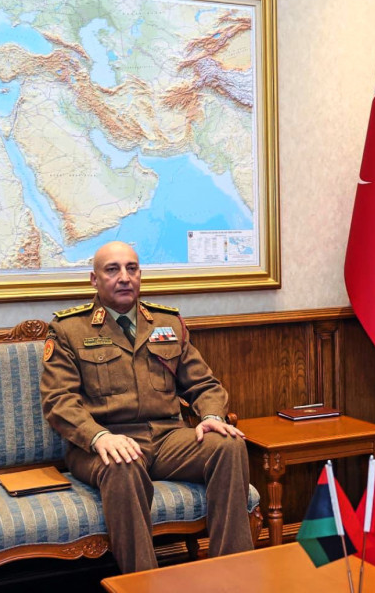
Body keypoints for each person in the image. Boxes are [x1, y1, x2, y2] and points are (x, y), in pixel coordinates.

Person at [40, 241, 253, 573]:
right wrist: (99, 437)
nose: (124, 277)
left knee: (229, 445)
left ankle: (232, 574)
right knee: (123, 464)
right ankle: (143, 582)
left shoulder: (166, 323)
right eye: (112, 270)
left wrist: (211, 415)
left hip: (167, 439)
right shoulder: (69, 329)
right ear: (94, 279)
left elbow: (204, 384)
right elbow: (58, 401)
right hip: (105, 442)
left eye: (132, 268)